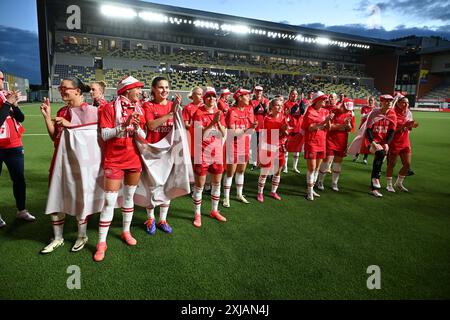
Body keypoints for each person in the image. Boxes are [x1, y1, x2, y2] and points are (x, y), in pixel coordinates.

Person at [40, 77, 100, 253]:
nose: (61, 90)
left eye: (64, 88)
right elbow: (55, 138)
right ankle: (57, 237)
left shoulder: (92, 111)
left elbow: (93, 137)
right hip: (59, 161)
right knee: (56, 196)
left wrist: (71, 125)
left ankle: (82, 235)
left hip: (80, 164)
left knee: (80, 198)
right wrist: (47, 117)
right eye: (60, 88)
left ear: (78, 91)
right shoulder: (61, 110)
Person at [94, 76, 146, 262]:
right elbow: (105, 135)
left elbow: (143, 135)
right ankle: (101, 242)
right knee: (109, 200)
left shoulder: (138, 108)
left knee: (130, 197)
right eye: (137, 89)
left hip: (133, 159)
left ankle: (126, 231)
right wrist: (123, 125)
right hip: (114, 159)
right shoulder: (108, 107)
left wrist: (138, 128)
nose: (140, 92)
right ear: (127, 90)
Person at [142, 76, 181, 234]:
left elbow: (180, 130)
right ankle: (150, 218)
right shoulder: (148, 105)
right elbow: (151, 126)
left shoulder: (174, 105)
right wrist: (169, 114)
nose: (164, 90)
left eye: (166, 87)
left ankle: (162, 219)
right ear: (153, 89)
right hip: (153, 152)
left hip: (170, 153)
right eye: (160, 87)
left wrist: (177, 111)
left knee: (167, 187)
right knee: (152, 187)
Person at [0, 70, 35, 228]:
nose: (1, 80)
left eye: (2, 78)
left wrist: (14, 104)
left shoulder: (5, 95)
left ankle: (21, 210)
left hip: (14, 145)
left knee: (19, 179)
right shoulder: (5, 99)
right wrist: (8, 103)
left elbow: (20, 118)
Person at [191, 87, 227, 227]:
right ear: (204, 98)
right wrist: (212, 123)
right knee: (199, 186)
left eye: (213, 96)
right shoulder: (198, 113)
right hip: (203, 152)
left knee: (217, 183)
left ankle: (214, 210)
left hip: (216, 152)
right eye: (208, 96)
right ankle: (197, 214)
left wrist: (217, 122)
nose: (211, 99)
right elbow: (199, 135)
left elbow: (224, 133)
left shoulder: (219, 113)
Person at [355, 94, 397, 197]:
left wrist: (387, 143)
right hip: (371, 141)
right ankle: (375, 180)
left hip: (383, 142)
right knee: (380, 154)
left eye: (390, 101)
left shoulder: (392, 114)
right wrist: (373, 142)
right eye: (386, 101)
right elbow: (368, 129)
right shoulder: (374, 113)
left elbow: (392, 131)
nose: (388, 103)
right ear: (381, 102)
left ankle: (374, 187)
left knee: (379, 160)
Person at [222, 88, 257, 208]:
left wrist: (252, 128)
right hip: (233, 145)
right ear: (240, 98)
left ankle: (239, 194)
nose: (249, 98)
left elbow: (251, 131)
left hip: (245, 144)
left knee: (241, 171)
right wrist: (248, 128)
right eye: (246, 96)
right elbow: (233, 132)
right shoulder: (232, 111)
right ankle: (226, 197)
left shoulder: (250, 110)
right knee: (230, 173)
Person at [317, 98, 355, 192]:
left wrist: (348, 125)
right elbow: (328, 127)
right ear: (342, 104)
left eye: (348, 109)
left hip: (342, 141)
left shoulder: (351, 113)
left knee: (338, 163)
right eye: (345, 108)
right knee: (327, 161)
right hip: (330, 140)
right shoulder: (333, 111)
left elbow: (349, 129)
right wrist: (341, 127)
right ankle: (320, 181)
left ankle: (334, 183)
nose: (347, 110)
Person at [301, 91, 332, 201]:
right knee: (312, 168)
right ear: (317, 101)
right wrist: (325, 121)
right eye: (323, 99)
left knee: (317, 168)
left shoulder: (325, 111)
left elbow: (328, 127)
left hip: (321, 141)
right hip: (311, 142)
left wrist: (328, 122)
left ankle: (311, 189)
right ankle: (309, 191)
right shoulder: (310, 111)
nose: (325, 101)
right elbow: (310, 128)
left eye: (325, 99)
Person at [256, 98, 289, 202]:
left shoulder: (284, 117)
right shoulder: (267, 119)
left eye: (281, 105)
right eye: (277, 105)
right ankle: (260, 193)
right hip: (269, 147)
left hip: (280, 147)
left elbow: (286, 133)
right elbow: (267, 134)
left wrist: (285, 130)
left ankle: (273, 191)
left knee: (278, 171)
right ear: (272, 107)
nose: (280, 107)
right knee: (265, 171)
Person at [386, 95, 418, 192]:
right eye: (404, 102)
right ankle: (389, 185)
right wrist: (404, 126)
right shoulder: (392, 113)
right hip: (395, 142)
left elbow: (407, 128)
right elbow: (391, 131)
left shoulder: (407, 113)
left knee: (407, 164)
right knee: (392, 164)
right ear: (398, 103)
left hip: (405, 142)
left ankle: (399, 183)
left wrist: (411, 126)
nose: (406, 104)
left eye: (407, 103)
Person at [284, 89, 305, 174]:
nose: (294, 96)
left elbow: (302, 112)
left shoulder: (300, 104)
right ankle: (285, 167)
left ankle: (294, 167)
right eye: (292, 94)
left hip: (298, 128)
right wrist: (298, 104)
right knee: (286, 148)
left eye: (296, 94)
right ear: (289, 95)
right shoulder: (286, 104)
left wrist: (302, 102)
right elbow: (291, 112)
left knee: (297, 149)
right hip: (289, 128)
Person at [353, 96, 376, 164]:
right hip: (362, 127)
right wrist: (371, 113)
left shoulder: (375, 109)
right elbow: (363, 116)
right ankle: (356, 156)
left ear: (374, 101)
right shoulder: (364, 108)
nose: (370, 101)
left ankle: (365, 158)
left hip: (371, 128)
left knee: (368, 143)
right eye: (369, 100)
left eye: (372, 100)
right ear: (367, 101)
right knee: (359, 142)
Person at [250, 85, 268, 170]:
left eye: (260, 91)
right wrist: (261, 104)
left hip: (263, 126)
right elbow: (253, 111)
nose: (259, 93)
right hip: (255, 126)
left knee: (262, 146)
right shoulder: (252, 101)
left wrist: (264, 105)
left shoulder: (266, 101)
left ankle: (260, 162)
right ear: (254, 92)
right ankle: (254, 163)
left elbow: (267, 112)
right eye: (257, 91)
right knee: (254, 145)